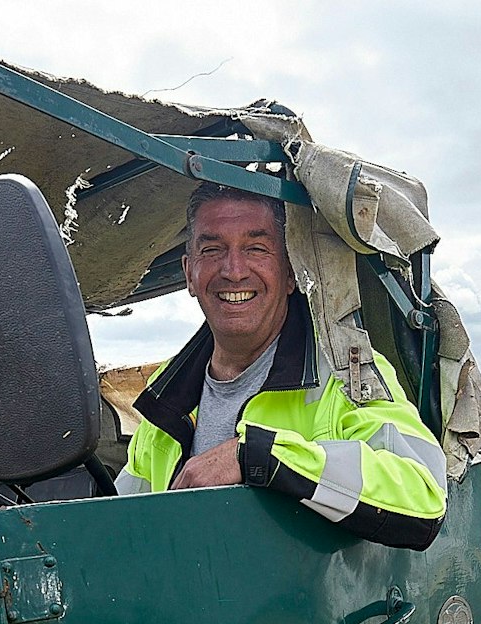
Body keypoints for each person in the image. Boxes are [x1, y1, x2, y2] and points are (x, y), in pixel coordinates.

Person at [116, 182, 447, 550]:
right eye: (212, 250)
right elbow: (119, 526)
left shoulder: (348, 373)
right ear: (189, 273)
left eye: (256, 248)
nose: (234, 271)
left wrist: (259, 456)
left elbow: (423, 496)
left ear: (290, 272)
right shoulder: (167, 392)